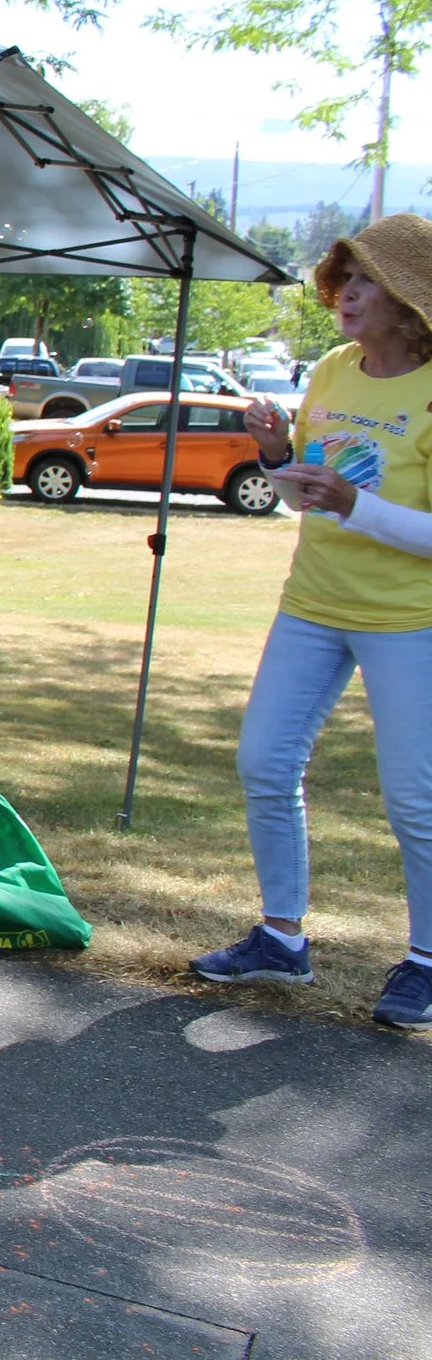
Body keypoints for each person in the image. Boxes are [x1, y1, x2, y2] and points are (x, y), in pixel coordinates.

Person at [192, 213, 432, 1030]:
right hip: (312, 603)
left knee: (415, 799)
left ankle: (427, 959)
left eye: (366, 279)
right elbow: (308, 493)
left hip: (408, 619)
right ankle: (282, 938)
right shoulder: (332, 369)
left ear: (408, 301)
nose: (348, 293)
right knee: (264, 761)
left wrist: (356, 502)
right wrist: (271, 453)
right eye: (346, 276)